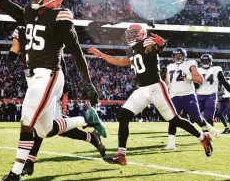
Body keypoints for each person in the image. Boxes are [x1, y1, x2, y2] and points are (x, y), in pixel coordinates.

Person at [0, 0, 106, 181]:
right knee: (45, 130)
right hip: (34, 77)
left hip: (49, 75)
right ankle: (86, 119)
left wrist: (87, 82)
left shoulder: (60, 17)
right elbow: (5, 5)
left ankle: (14, 176)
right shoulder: (29, 13)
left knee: (27, 119)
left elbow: (75, 51)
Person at [88, 24, 213, 166]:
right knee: (124, 115)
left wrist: (161, 45)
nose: (130, 35)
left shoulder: (146, 42)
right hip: (142, 89)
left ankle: (203, 137)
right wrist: (100, 54)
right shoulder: (131, 50)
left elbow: (153, 49)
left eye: (134, 33)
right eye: (129, 33)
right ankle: (121, 155)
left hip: (156, 87)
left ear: (141, 34)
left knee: (175, 120)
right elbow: (121, 61)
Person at [9, 26, 106, 177]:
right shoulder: (23, 29)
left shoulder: (44, 28)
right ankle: (92, 136)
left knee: (37, 123)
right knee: (50, 127)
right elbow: (14, 50)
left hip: (51, 81)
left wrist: (63, 84)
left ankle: (28, 163)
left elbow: (59, 58)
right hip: (36, 80)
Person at [163, 48, 218, 150]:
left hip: (188, 95)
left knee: (197, 118)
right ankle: (171, 144)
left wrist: (187, 77)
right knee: (172, 119)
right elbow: (167, 81)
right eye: (176, 55)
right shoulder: (170, 66)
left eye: (180, 55)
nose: (178, 57)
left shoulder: (190, 63)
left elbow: (200, 79)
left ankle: (211, 131)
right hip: (174, 96)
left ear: (184, 56)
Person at [197, 54, 230, 133]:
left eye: (207, 61)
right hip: (199, 95)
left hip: (211, 95)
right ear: (201, 62)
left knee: (209, 116)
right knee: (195, 115)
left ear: (210, 61)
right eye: (204, 61)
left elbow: (224, 82)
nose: (205, 62)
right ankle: (207, 128)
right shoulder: (197, 70)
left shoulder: (217, 69)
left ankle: (207, 134)